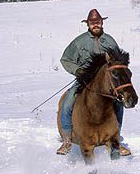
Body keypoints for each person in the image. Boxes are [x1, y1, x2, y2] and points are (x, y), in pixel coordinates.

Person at [56, 9, 131, 156]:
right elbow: (65, 59)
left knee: (119, 104)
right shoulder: (79, 41)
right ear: (88, 24)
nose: (95, 25)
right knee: (67, 102)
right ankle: (66, 140)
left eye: (98, 22)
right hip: (84, 79)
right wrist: (78, 71)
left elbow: (117, 61)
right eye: (92, 23)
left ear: (102, 23)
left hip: (106, 82)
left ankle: (116, 139)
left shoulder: (109, 40)